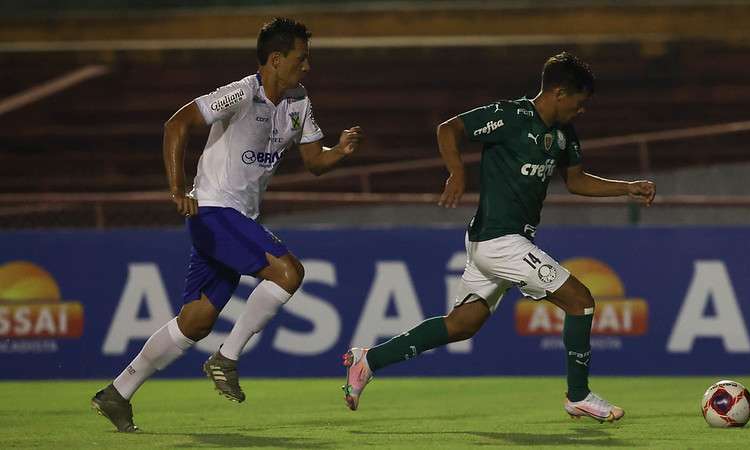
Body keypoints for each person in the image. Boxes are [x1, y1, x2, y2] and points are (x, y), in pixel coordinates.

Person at [342, 51, 655, 422]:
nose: (581, 110)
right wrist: (457, 173)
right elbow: (448, 129)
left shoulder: (562, 134)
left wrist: (627, 188)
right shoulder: (509, 116)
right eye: (579, 102)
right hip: (499, 239)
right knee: (580, 301)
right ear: (558, 92)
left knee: (461, 324)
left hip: (498, 241)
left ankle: (368, 360)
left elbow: (576, 180)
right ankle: (578, 394)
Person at [91, 17, 363, 432]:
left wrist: (339, 150)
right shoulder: (240, 93)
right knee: (290, 272)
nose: (307, 66)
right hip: (214, 211)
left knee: (196, 320)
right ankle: (227, 358)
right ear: (276, 59)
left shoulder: (299, 101)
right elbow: (176, 124)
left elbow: (313, 163)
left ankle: (118, 392)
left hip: (238, 221)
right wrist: (178, 187)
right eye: (301, 58)